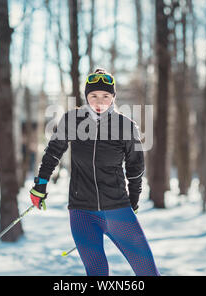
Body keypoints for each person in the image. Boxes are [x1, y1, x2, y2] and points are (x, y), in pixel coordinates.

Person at [30, 68, 160, 276]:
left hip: (118, 210)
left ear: (113, 97)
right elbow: (53, 153)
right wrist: (40, 184)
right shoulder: (72, 121)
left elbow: (135, 168)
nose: (99, 102)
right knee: (97, 273)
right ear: (86, 97)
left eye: (106, 96)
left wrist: (133, 200)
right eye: (94, 96)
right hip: (82, 214)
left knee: (148, 272)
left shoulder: (126, 126)